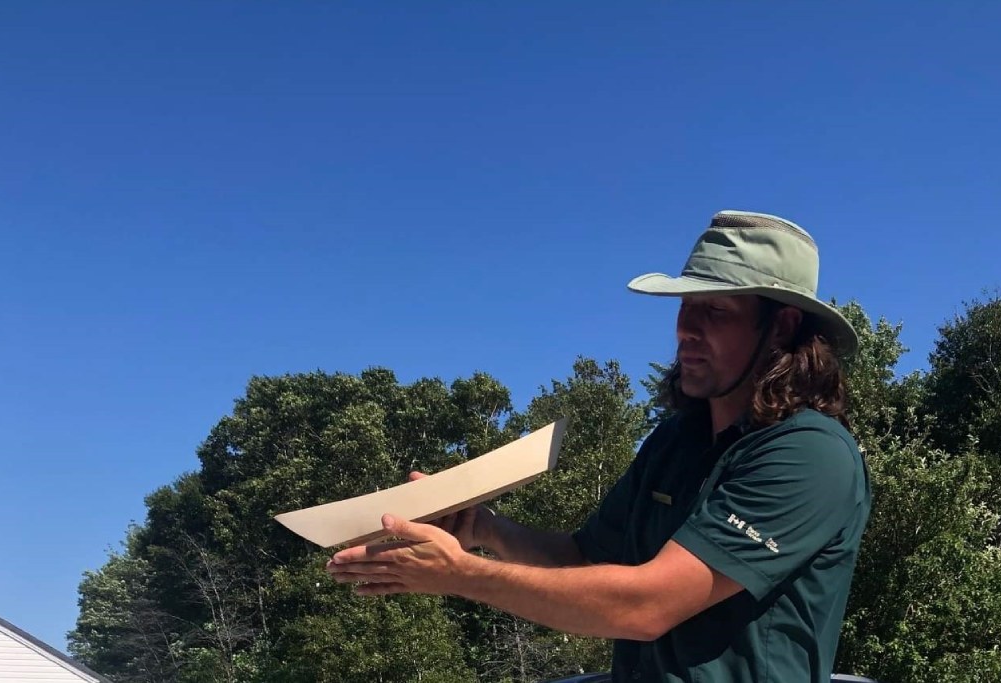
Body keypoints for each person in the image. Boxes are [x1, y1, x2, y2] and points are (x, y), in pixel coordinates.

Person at [327, 210, 872, 682]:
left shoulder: (808, 453)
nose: (686, 329)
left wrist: (458, 575)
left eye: (716, 310)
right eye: (686, 307)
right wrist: (482, 527)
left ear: (782, 328)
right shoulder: (676, 441)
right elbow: (584, 557)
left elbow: (647, 605)